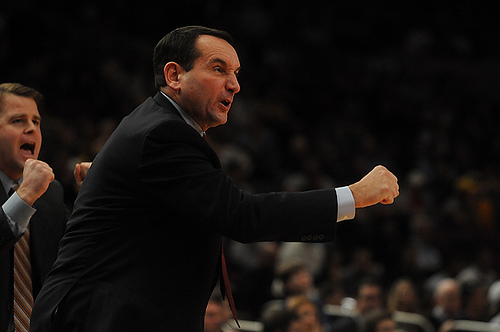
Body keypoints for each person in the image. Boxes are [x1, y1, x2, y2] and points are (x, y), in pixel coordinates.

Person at [30, 25, 399, 332]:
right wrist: (352, 195)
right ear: (175, 75)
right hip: (99, 317)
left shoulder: (159, 126)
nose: (234, 85)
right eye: (219, 69)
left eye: (236, 73)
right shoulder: (163, 133)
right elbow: (240, 216)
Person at [0, 83, 88, 332]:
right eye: (18, 120)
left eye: (36, 122)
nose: (31, 128)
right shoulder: (36, 191)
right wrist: (25, 196)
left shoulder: (51, 192)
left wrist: (94, 197)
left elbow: (75, 262)